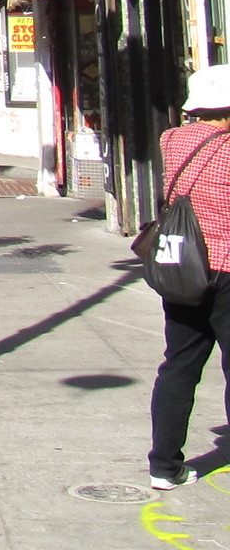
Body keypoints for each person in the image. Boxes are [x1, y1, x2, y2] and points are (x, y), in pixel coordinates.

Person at [148, 64, 230, 489]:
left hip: (183, 267)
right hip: (227, 269)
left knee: (179, 366)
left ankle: (164, 466)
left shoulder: (172, 140)